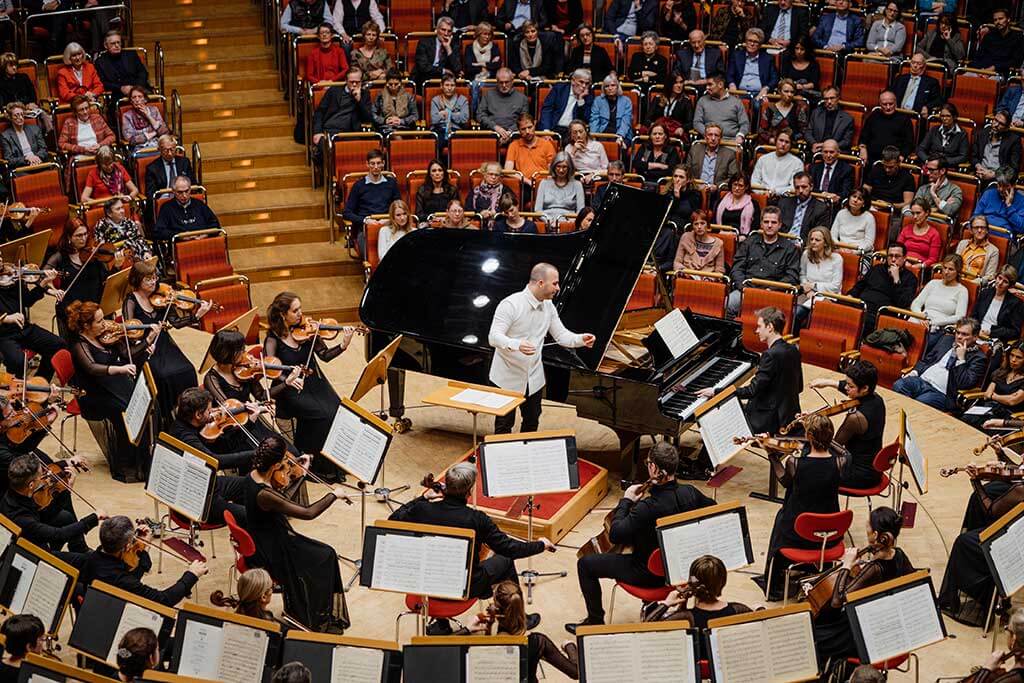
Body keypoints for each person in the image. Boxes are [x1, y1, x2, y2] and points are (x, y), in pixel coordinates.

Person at [566, 442, 714, 631]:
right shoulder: (690, 493)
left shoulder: (648, 507)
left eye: (648, 463)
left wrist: (626, 501)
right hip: (681, 570)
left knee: (585, 565)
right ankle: (651, 606)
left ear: (654, 468)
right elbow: (713, 509)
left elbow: (616, 534)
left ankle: (595, 622)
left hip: (650, 576)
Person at [391, 462, 555, 633]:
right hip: (463, 587)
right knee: (505, 560)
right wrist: (541, 545)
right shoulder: (477, 519)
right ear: (469, 491)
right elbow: (509, 548)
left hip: (426, 583)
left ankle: (442, 624)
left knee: (439, 558)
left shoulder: (422, 509)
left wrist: (423, 498)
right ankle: (515, 619)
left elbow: (393, 521)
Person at [243, 436, 350, 632]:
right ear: (275, 465)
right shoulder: (265, 494)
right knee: (326, 556)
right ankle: (312, 615)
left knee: (321, 554)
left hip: (265, 537)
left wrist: (302, 474)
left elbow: (283, 501)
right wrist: (334, 495)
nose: (287, 462)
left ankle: (304, 607)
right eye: (284, 460)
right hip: (272, 550)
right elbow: (308, 513)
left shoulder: (253, 476)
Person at [488, 263, 593, 432]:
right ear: (541, 283)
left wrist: (581, 339)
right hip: (508, 377)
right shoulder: (510, 304)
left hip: (534, 378)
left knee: (532, 422)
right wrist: (517, 344)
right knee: (504, 425)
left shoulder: (549, 306)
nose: (558, 288)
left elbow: (561, 335)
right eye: (555, 283)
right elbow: (493, 337)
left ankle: (527, 448)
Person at [813, 507, 914, 669]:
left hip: (864, 632)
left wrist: (846, 566)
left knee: (815, 632)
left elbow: (837, 601)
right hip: (888, 623)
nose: (866, 527)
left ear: (875, 535)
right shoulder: (900, 555)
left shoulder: (874, 569)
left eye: (868, 526)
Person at [758, 414, 843, 601]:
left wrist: (771, 454)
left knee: (781, 517)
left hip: (798, 536)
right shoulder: (841, 462)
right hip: (829, 535)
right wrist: (826, 438)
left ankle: (774, 585)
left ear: (809, 437)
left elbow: (785, 481)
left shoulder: (795, 463)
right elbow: (845, 452)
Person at [264, 292, 351, 471]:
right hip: (291, 390)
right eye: (295, 310)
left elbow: (324, 355)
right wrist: (287, 379)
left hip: (314, 382)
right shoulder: (272, 340)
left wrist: (343, 345)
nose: (300, 314)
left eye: (300, 309)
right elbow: (271, 370)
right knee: (322, 416)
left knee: (337, 410)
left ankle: (335, 460)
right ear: (283, 314)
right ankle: (314, 463)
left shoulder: (308, 331)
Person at [67, 300, 150, 481]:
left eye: (103, 318)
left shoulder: (105, 336)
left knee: (141, 403)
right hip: (94, 394)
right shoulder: (80, 345)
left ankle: (143, 455)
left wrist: (147, 342)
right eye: (99, 321)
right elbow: (92, 368)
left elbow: (127, 354)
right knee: (124, 410)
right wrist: (119, 369)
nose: (105, 323)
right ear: (86, 326)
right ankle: (127, 463)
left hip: (112, 384)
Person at [124, 261, 208, 424]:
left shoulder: (161, 296)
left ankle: (190, 412)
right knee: (163, 375)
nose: (153, 282)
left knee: (188, 369)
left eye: (154, 277)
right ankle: (167, 417)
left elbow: (176, 323)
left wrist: (197, 315)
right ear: (137, 280)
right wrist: (144, 342)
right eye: (148, 279)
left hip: (163, 341)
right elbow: (130, 331)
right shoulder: (131, 301)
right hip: (146, 346)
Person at [203, 329, 301, 457]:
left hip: (253, 420)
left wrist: (286, 383)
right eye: (241, 350)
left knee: (292, 452)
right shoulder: (211, 379)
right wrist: (259, 409)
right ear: (228, 353)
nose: (245, 353)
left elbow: (261, 395)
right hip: (235, 429)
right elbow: (229, 412)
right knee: (270, 456)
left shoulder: (245, 369)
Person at [703, 306, 802, 434]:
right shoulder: (794, 350)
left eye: (759, 326)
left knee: (716, 416)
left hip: (767, 421)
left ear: (770, 327)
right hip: (788, 417)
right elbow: (799, 387)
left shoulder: (770, 355)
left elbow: (751, 391)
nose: (756, 331)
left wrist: (716, 391)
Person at [68, 516, 207, 606]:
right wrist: (191, 575)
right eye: (133, 540)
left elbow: (134, 573)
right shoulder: (123, 580)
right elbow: (164, 599)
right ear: (127, 546)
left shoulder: (92, 558)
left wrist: (143, 545)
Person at [459, 580, 579, 682]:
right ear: (520, 606)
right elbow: (576, 673)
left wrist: (467, 630)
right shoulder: (538, 642)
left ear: (496, 607)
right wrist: (569, 646)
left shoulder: (477, 646)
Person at [1, 452, 104, 555]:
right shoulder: (22, 517)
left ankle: (79, 549)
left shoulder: (15, 491)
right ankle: (55, 554)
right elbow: (59, 534)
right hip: (31, 552)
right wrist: (94, 517)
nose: (46, 477)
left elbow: (48, 513)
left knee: (65, 517)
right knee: (83, 560)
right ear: (31, 485)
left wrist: (66, 490)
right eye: (41, 476)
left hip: (32, 534)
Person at [808, 361, 887, 489]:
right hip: (873, 469)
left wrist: (811, 423)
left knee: (806, 465)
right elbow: (853, 390)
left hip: (858, 475)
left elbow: (832, 446)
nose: (846, 388)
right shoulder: (877, 399)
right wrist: (828, 382)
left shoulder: (856, 419)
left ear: (865, 388)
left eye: (850, 386)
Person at [892, 316, 986, 411]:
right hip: (922, 380)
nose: (959, 337)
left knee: (920, 403)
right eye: (957, 332)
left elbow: (965, 383)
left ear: (975, 337)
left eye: (964, 334)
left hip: (941, 393)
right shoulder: (947, 340)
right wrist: (914, 372)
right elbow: (927, 360)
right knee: (899, 385)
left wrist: (961, 359)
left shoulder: (978, 358)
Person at [0, 256, 63, 381]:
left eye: (0, 256)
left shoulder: (14, 277)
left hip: (23, 328)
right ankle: (16, 389)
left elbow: (28, 301)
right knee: (18, 362)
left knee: (57, 345)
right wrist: (6, 318)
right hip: (3, 335)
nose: (0, 260)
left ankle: (39, 383)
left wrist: (43, 283)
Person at [342, 150, 402, 256]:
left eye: (378, 163)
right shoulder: (358, 186)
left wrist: (389, 219)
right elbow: (347, 213)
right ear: (367, 164)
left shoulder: (391, 183)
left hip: (388, 225)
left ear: (383, 163)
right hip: (366, 228)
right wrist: (365, 220)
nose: (376, 167)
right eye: (372, 163)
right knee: (367, 253)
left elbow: (400, 207)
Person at [849, 242, 919, 331]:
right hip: (861, 306)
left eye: (897, 256)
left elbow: (903, 303)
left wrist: (896, 280)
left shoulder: (910, 278)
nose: (893, 259)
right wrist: (850, 296)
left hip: (881, 315)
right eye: (890, 256)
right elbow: (859, 286)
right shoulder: (877, 268)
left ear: (904, 258)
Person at [963, 342, 1024, 430]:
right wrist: (1003, 398)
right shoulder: (1002, 372)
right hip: (990, 408)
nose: (1013, 360)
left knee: (983, 426)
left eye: (1019, 357)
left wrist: (994, 396)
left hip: (1010, 416)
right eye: (1012, 355)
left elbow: (1012, 401)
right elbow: (987, 394)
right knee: (966, 418)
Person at [311, 67, 372, 149]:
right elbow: (320, 112)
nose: (354, 84)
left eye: (357, 82)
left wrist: (359, 100)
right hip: (330, 129)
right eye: (351, 82)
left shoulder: (365, 94)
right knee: (325, 146)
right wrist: (317, 132)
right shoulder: (333, 91)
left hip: (351, 133)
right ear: (346, 81)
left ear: (361, 81)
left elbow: (368, 118)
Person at [795, 226, 843, 331]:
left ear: (825, 243)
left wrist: (813, 286)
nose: (813, 242)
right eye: (811, 239)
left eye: (817, 240)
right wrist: (806, 288)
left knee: (811, 317)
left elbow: (835, 286)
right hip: (808, 295)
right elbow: (802, 274)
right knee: (793, 313)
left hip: (829, 296)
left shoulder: (837, 259)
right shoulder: (806, 254)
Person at [153, 175, 221, 244]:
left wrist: (206, 234)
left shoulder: (199, 204)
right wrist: (179, 236)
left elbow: (216, 225)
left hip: (203, 242)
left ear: (190, 189)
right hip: (180, 244)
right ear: (173, 191)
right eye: (180, 192)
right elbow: (159, 232)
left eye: (186, 191)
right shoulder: (167, 208)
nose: (184, 195)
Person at [58, 95, 116, 171]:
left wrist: (100, 145)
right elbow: (62, 143)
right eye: (81, 110)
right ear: (75, 112)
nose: (85, 112)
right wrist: (83, 149)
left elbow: (111, 136)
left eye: (87, 108)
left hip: (99, 153)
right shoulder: (69, 123)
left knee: (106, 155)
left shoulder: (97, 118)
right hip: (80, 156)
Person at [863, 146, 915, 225]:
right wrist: (871, 202)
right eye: (885, 166)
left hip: (894, 211)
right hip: (873, 206)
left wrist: (888, 205)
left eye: (891, 167)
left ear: (898, 163)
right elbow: (865, 190)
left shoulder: (907, 177)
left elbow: (907, 203)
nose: (887, 170)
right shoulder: (876, 169)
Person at [858, 92, 914, 165]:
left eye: (891, 104)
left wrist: (901, 156)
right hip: (871, 159)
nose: (888, 107)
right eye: (884, 104)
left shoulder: (904, 119)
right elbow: (864, 136)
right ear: (880, 104)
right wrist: (863, 148)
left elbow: (909, 143)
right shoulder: (873, 116)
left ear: (896, 103)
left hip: (893, 162)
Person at [0, 53, 51, 132]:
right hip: (11, 111)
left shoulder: (24, 77)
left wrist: (31, 104)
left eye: (15, 65)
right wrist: (20, 106)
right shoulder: (1, 82)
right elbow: (2, 103)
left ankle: (43, 134)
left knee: (42, 114)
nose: (14, 67)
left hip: (28, 108)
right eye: (11, 65)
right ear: (4, 67)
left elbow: (32, 96)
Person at [478, 68, 530, 144]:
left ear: (512, 81)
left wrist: (509, 133)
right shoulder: (488, 95)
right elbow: (480, 115)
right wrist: (495, 127)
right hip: (491, 133)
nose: (504, 85)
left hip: (514, 135)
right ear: (497, 82)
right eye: (501, 82)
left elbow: (523, 119)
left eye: (507, 82)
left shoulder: (522, 98)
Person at [973, 266, 1024, 342]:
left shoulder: (1016, 303)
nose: (1000, 283)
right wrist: (975, 329)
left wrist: (991, 332)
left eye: (1005, 281)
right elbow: (974, 316)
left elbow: (1015, 332)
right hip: (976, 333)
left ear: (1010, 285)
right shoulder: (985, 293)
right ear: (996, 277)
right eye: (999, 278)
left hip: (995, 339)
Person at [538, 68, 592, 141]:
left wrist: (580, 100)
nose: (584, 86)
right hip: (553, 127)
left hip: (572, 132)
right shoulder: (559, 89)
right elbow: (547, 110)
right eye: (581, 82)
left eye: (587, 83)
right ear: (573, 80)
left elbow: (585, 119)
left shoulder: (588, 96)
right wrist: (546, 130)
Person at [692, 72, 748, 141]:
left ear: (720, 84)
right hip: (707, 141)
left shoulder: (736, 102)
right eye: (706, 85)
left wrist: (740, 136)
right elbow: (697, 122)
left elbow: (745, 124)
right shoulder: (702, 100)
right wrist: (708, 134)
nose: (707, 87)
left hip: (730, 141)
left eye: (710, 84)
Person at [727, 28, 777, 104]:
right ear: (746, 41)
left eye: (755, 42)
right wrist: (732, 85)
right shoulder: (737, 56)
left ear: (760, 44)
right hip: (739, 92)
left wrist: (766, 88)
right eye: (749, 40)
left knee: (758, 105)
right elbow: (729, 74)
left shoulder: (767, 58)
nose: (752, 44)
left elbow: (774, 78)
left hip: (759, 93)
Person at [95, 196, 151, 264]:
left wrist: (145, 252)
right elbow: (101, 249)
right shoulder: (101, 226)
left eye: (122, 207)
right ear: (109, 213)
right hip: (118, 260)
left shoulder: (128, 222)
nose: (122, 211)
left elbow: (139, 238)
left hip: (137, 256)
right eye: (118, 209)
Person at [534, 152, 585, 225]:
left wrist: (570, 222)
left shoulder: (577, 184)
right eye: (558, 166)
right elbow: (537, 210)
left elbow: (581, 210)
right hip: (547, 221)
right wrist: (549, 220)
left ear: (569, 168)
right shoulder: (544, 183)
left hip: (569, 222)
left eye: (564, 167)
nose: (561, 170)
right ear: (554, 166)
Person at [778, 173, 830, 244]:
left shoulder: (821, 208)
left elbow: (819, 234)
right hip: (783, 242)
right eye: (797, 187)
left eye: (804, 187)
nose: (800, 191)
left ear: (811, 187)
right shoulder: (784, 203)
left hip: (805, 244)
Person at [970, 7, 1023, 76]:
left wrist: (994, 68)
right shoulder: (988, 36)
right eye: (995, 20)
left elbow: (1015, 61)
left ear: (1008, 19)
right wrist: (981, 70)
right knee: (965, 77)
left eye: (1001, 19)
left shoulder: (1017, 38)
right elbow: (978, 56)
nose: (998, 22)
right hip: (981, 70)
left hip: (1000, 72)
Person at [94, 31, 150, 96]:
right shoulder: (100, 62)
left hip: (139, 90)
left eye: (118, 42)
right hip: (116, 93)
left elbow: (143, 73)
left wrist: (136, 88)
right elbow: (103, 83)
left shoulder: (131, 54)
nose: (117, 45)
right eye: (113, 43)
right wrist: (120, 88)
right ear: (105, 45)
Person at [974, 166, 1024, 237]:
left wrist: (1009, 206)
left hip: (1003, 238)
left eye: (1005, 186)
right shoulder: (988, 194)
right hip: (982, 234)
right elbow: (976, 216)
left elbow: (1021, 228)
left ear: (1014, 185)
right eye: (999, 185)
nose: (1000, 189)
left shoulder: (1022, 201)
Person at [506, 113, 556, 183]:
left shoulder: (547, 144)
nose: (527, 132)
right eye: (523, 129)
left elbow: (552, 170)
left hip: (543, 183)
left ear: (534, 124)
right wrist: (528, 182)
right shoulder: (513, 145)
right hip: (523, 183)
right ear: (519, 130)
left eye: (530, 127)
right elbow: (508, 171)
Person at [750, 128, 803, 194]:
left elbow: (794, 187)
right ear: (776, 141)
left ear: (791, 144)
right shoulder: (763, 159)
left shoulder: (797, 163)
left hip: (783, 197)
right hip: (761, 195)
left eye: (787, 142)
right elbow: (754, 181)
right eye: (781, 140)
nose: (783, 144)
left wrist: (776, 192)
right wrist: (762, 192)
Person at [973, 113, 1023, 183]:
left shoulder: (1013, 140)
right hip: (979, 174)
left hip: (999, 180)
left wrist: (994, 175)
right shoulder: (982, 133)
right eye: (995, 120)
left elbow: (1013, 168)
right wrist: (978, 167)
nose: (996, 125)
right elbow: (973, 156)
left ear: (1007, 128)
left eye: (1001, 124)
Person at [144, 135, 195, 200]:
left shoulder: (184, 162)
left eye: (172, 149)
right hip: (164, 199)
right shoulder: (152, 168)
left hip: (184, 197)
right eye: (166, 150)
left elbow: (193, 184)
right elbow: (150, 194)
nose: (169, 153)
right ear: (159, 150)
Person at [757, 79, 806, 146]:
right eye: (786, 91)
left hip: (790, 146)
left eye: (792, 92)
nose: (789, 94)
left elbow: (803, 131)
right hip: (771, 145)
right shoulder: (770, 108)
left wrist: (791, 140)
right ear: (779, 91)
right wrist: (771, 139)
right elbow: (761, 130)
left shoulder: (798, 109)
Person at [590, 72, 633, 146]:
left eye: (613, 85)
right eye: (607, 86)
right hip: (602, 133)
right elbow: (594, 120)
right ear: (604, 89)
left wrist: (620, 136)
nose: (610, 88)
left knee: (619, 147)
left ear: (617, 87)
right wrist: (594, 136)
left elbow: (626, 122)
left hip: (622, 134)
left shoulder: (626, 101)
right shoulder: (598, 101)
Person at [673, 209, 724, 274]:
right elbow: (677, 262)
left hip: (708, 278)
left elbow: (719, 270)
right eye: (696, 224)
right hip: (687, 275)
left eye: (702, 223)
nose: (699, 227)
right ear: (692, 226)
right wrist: (684, 272)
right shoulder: (686, 238)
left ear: (707, 225)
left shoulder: (718, 244)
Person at [464, 22, 501, 109]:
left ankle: (480, 112)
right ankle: (475, 112)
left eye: (489, 34)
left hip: (490, 79)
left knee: (480, 85)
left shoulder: (494, 47)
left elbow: (497, 65)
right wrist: (487, 66)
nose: (487, 37)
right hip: (473, 79)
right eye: (484, 34)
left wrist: (480, 64)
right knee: (476, 85)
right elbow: (469, 68)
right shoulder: (469, 48)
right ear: (478, 34)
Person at [413, 17, 461, 84]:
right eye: (443, 30)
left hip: (445, 81)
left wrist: (448, 48)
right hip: (424, 78)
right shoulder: (424, 43)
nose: (446, 34)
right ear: (437, 29)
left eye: (449, 31)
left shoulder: (453, 46)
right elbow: (423, 67)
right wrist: (443, 71)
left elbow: (457, 68)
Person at [892, 51, 941, 116]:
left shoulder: (931, 82)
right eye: (913, 63)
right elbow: (889, 92)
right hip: (898, 113)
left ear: (924, 66)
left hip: (916, 115)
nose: (915, 66)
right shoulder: (900, 79)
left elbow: (938, 100)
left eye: (919, 64)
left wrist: (927, 107)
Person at [120, 86, 168, 152]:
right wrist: (154, 133)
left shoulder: (154, 110)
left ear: (145, 99)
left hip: (158, 146)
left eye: (140, 97)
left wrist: (148, 116)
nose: (137, 100)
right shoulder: (127, 116)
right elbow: (130, 139)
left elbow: (164, 132)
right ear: (131, 101)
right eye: (134, 97)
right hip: (139, 149)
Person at [0, 102, 47, 169]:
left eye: (22, 114)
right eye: (16, 115)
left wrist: (36, 157)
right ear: (10, 117)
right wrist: (26, 159)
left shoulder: (35, 129)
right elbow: (9, 159)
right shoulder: (5, 136)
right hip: (21, 168)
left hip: (39, 162)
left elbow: (43, 149)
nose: (20, 118)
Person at [915, 156, 962, 222]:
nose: (928, 173)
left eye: (931, 170)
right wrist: (938, 209)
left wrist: (934, 195)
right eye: (927, 169)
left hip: (938, 223)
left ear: (942, 171)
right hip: (921, 221)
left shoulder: (955, 190)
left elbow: (949, 211)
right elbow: (915, 208)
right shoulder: (923, 188)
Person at [898, 198, 943, 267]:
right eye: (913, 213)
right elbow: (897, 249)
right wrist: (903, 262)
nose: (915, 217)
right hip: (903, 264)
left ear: (926, 213)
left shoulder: (934, 234)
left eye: (918, 213)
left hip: (921, 267)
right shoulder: (906, 229)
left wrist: (921, 265)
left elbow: (933, 259)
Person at [806, 88, 854, 153]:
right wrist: (813, 143)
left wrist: (827, 146)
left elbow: (846, 141)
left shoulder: (847, 119)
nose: (829, 102)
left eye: (832, 98)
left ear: (838, 98)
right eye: (826, 99)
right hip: (816, 149)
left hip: (835, 152)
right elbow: (808, 132)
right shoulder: (816, 113)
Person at [372, 69, 416, 136]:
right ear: (386, 83)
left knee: (397, 134)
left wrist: (401, 121)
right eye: (390, 84)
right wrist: (385, 120)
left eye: (396, 84)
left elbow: (415, 115)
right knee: (392, 134)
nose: (393, 87)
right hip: (386, 127)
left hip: (404, 126)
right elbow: (372, 114)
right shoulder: (380, 96)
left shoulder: (408, 97)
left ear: (400, 83)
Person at [830, 187, 875, 252]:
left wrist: (855, 251)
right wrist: (838, 247)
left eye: (859, 199)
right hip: (840, 249)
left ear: (864, 204)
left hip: (859, 252)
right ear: (849, 198)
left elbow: (869, 243)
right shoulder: (841, 213)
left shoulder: (869, 217)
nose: (855, 200)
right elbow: (832, 235)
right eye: (854, 196)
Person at [429, 73, 470, 146]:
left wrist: (447, 114)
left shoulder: (463, 100)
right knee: (437, 142)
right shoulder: (435, 100)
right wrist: (457, 115)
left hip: (456, 130)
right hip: (439, 129)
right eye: (447, 85)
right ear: (441, 86)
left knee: (457, 144)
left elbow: (464, 119)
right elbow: (434, 120)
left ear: (455, 86)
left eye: (452, 85)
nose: (449, 88)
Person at [957, 216, 1001, 282]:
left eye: (983, 228)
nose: (979, 230)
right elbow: (955, 264)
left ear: (987, 230)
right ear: (971, 230)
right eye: (976, 228)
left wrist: (971, 284)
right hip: (956, 280)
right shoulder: (962, 243)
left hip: (975, 284)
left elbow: (989, 276)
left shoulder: (994, 251)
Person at [646, 73, 691, 137]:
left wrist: (682, 128)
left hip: (675, 134)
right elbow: (647, 119)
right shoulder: (658, 98)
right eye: (675, 83)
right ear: (669, 84)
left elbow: (690, 123)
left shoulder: (686, 101)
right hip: (657, 133)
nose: (679, 85)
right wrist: (653, 125)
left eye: (681, 82)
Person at [0, 614, 43, 680]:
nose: (43, 644)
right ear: (29, 647)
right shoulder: (29, 676)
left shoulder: (2, 663)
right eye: (41, 639)